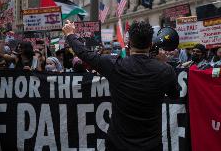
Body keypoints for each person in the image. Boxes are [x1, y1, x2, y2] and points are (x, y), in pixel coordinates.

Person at [62, 20, 179, 151]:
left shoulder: (115, 65)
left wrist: (70, 34)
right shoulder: (165, 70)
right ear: (151, 44)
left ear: (129, 44)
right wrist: (164, 64)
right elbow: (175, 95)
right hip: (151, 145)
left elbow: (84, 54)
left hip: (118, 145)